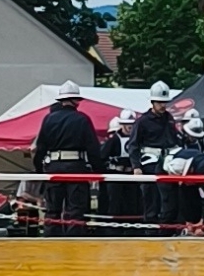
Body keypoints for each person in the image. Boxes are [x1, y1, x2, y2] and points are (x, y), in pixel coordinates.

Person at [32, 81, 103, 235]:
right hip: (76, 168)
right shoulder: (82, 119)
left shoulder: (48, 119)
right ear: (76, 100)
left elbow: (41, 147)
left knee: (52, 211)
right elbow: (93, 149)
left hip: (54, 168)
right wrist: (99, 171)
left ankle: (51, 243)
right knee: (75, 211)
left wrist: (39, 170)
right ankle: (74, 246)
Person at [132, 83, 182, 232]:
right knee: (151, 200)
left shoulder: (169, 118)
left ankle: (167, 230)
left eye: (164, 102)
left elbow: (175, 140)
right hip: (150, 165)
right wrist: (136, 167)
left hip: (168, 164)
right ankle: (151, 232)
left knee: (169, 199)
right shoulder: (143, 121)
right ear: (152, 102)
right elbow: (133, 145)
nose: (162, 105)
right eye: (159, 102)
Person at [98, 111, 140, 234]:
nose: (129, 127)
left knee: (132, 205)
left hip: (131, 177)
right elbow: (102, 156)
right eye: (127, 124)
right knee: (114, 205)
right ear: (121, 124)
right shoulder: (114, 140)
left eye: (132, 124)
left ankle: (131, 231)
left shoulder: (137, 140)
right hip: (115, 176)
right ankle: (112, 231)